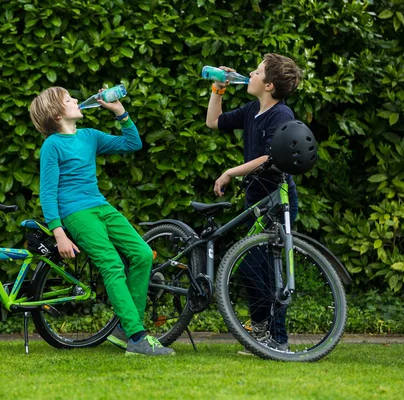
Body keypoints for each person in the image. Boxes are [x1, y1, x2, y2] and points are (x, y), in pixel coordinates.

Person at [30, 86, 175, 356]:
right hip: (77, 213)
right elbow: (47, 193)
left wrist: (119, 111)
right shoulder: (52, 145)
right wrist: (59, 232)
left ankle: (123, 330)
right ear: (57, 114)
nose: (75, 100)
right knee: (111, 263)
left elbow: (132, 143)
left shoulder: (89, 136)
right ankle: (136, 336)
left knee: (142, 253)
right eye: (68, 99)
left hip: (101, 206)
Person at [205, 53, 303, 352]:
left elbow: (270, 156)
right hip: (256, 200)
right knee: (253, 268)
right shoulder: (253, 110)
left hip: (277, 200)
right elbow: (214, 121)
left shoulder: (281, 115)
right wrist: (218, 89)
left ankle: (277, 339)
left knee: (265, 269)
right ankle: (262, 333)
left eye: (257, 71)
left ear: (269, 85)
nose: (250, 73)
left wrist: (230, 172)